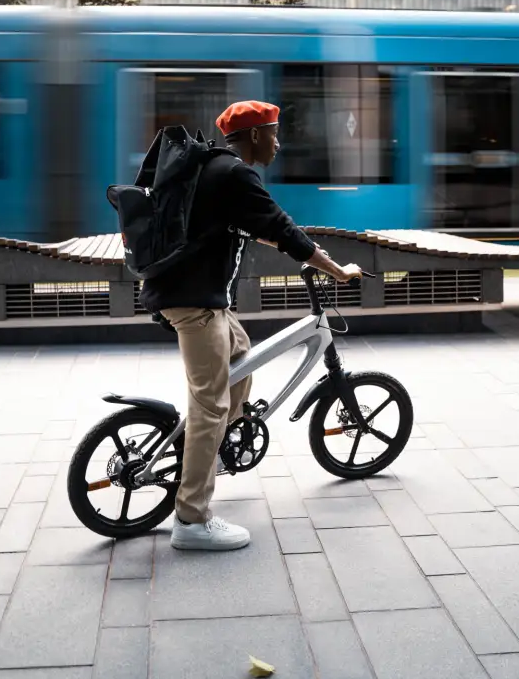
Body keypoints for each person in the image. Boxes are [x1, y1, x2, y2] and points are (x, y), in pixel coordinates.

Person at [139, 100, 363, 551]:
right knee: (210, 405)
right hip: (194, 302)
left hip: (198, 296)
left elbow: (244, 223)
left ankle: (215, 451)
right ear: (256, 135)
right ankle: (192, 519)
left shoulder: (213, 169)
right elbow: (282, 226)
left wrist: (276, 239)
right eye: (274, 134)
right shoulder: (236, 174)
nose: (278, 143)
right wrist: (336, 270)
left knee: (241, 354)